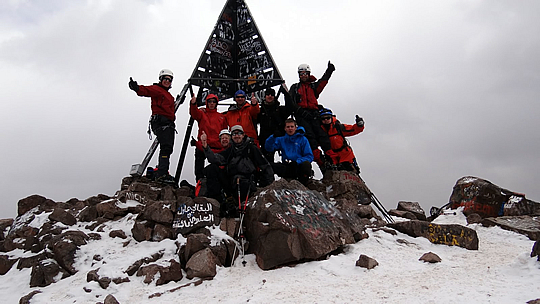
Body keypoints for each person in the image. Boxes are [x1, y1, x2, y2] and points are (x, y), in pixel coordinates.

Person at [202, 125, 274, 216]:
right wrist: (206, 147)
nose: (237, 136)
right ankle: (218, 202)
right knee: (212, 168)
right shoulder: (230, 150)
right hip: (232, 182)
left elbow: (265, 166)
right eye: (234, 134)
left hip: (248, 181)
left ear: (243, 135)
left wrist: (268, 186)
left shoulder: (251, 148)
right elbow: (215, 159)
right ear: (231, 136)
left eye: (239, 133)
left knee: (243, 185)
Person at [287, 62, 338, 170]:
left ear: (309, 74)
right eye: (301, 73)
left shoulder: (313, 86)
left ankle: (333, 161)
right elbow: (290, 102)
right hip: (302, 116)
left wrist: (329, 71)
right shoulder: (295, 87)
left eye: (305, 73)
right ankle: (321, 163)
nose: (304, 75)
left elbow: (323, 82)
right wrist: (299, 111)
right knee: (310, 139)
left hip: (314, 115)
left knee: (323, 136)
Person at [129, 69, 176, 183]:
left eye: (169, 80)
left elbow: (171, 109)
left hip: (168, 124)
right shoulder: (157, 90)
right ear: (161, 79)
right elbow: (146, 90)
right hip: (161, 122)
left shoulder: (169, 96)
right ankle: (162, 173)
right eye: (165, 79)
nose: (167, 81)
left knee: (168, 148)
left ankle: (162, 171)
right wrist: (136, 88)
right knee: (165, 148)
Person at [190, 93, 228, 181]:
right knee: (199, 166)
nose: (211, 103)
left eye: (214, 102)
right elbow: (194, 113)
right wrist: (193, 104)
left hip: (217, 146)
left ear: (216, 103)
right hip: (202, 145)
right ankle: (199, 183)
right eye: (209, 101)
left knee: (218, 166)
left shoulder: (221, 117)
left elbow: (224, 131)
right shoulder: (202, 114)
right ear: (207, 103)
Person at [265, 118, 314, 185]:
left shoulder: (303, 139)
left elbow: (309, 156)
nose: (290, 129)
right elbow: (269, 148)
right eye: (288, 127)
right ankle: (269, 184)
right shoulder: (281, 139)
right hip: (286, 166)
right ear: (285, 128)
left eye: (292, 126)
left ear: (295, 128)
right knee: (269, 166)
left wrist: (297, 162)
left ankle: (304, 183)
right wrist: (273, 137)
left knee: (306, 164)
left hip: (298, 166)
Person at [319, 108, 365, 173]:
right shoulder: (320, 132)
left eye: (328, 118)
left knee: (352, 172)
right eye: (323, 118)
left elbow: (353, 129)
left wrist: (359, 125)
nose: (326, 120)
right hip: (332, 157)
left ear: (331, 118)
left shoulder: (339, 127)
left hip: (346, 156)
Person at [257, 87, 291, 162]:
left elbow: (290, 108)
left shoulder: (280, 109)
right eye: (268, 94)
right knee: (267, 163)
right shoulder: (260, 110)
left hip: (280, 138)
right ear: (265, 96)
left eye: (272, 94)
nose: (270, 96)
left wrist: (286, 94)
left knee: (287, 161)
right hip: (265, 139)